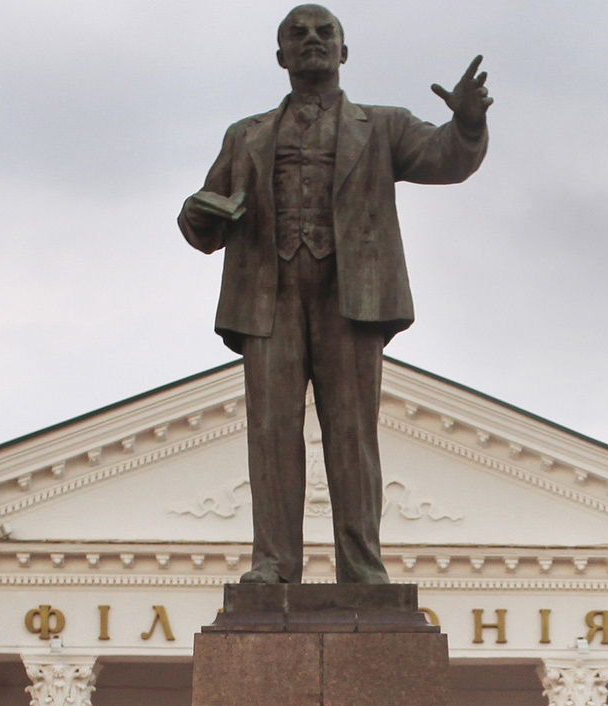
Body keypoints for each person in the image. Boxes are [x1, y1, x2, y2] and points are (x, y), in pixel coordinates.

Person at [177, 5, 490, 585]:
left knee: (352, 432)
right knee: (271, 433)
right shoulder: (245, 135)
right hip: (267, 296)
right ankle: (273, 564)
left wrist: (469, 125)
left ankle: (362, 567)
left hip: (351, 296)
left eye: (326, 33)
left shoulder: (383, 126)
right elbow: (208, 219)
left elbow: (446, 157)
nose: (313, 40)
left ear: (344, 52)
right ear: (281, 58)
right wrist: (194, 213)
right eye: (298, 34)